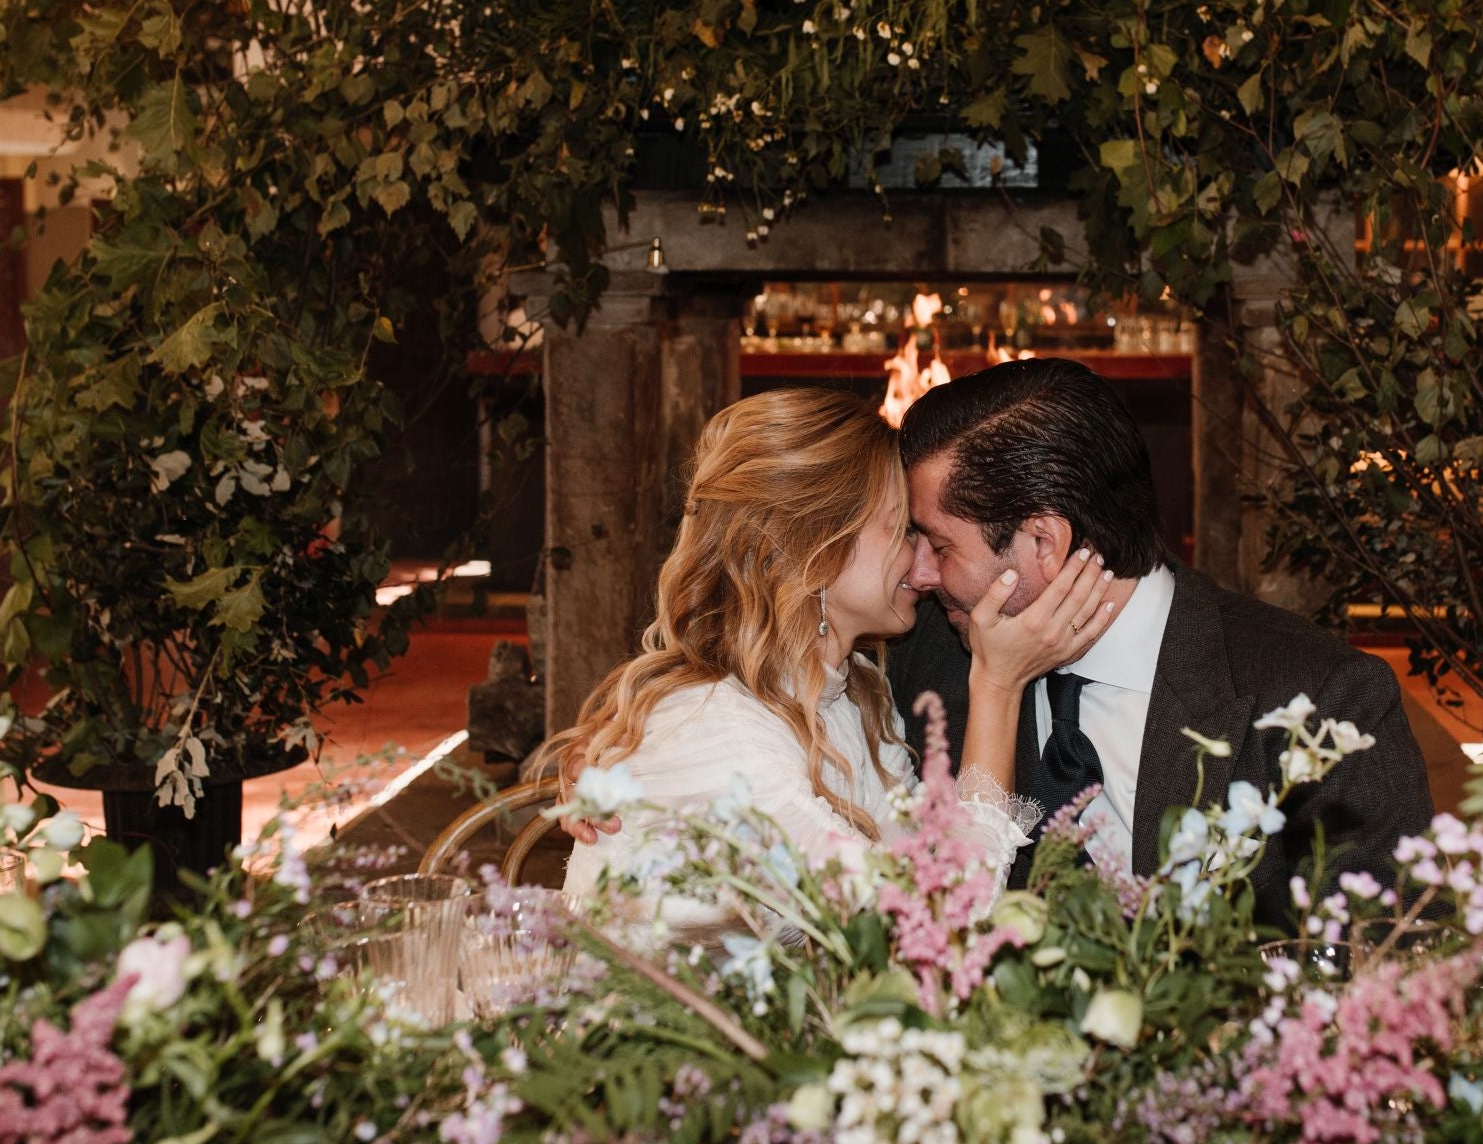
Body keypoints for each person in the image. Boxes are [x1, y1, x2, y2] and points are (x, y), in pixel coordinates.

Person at [545, 388, 1117, 939]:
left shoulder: (855, 688)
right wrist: (998, 685)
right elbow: (933, 922)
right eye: (903, 532)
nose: (927, 569)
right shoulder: (713, 738)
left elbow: (920, 863)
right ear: (812, 547)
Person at [889, 357, 1435, 919]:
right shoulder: (931, 659)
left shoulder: (1323, 699)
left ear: (1044, 541)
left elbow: (1392, 959)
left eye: (940, 545)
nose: (919, 574)